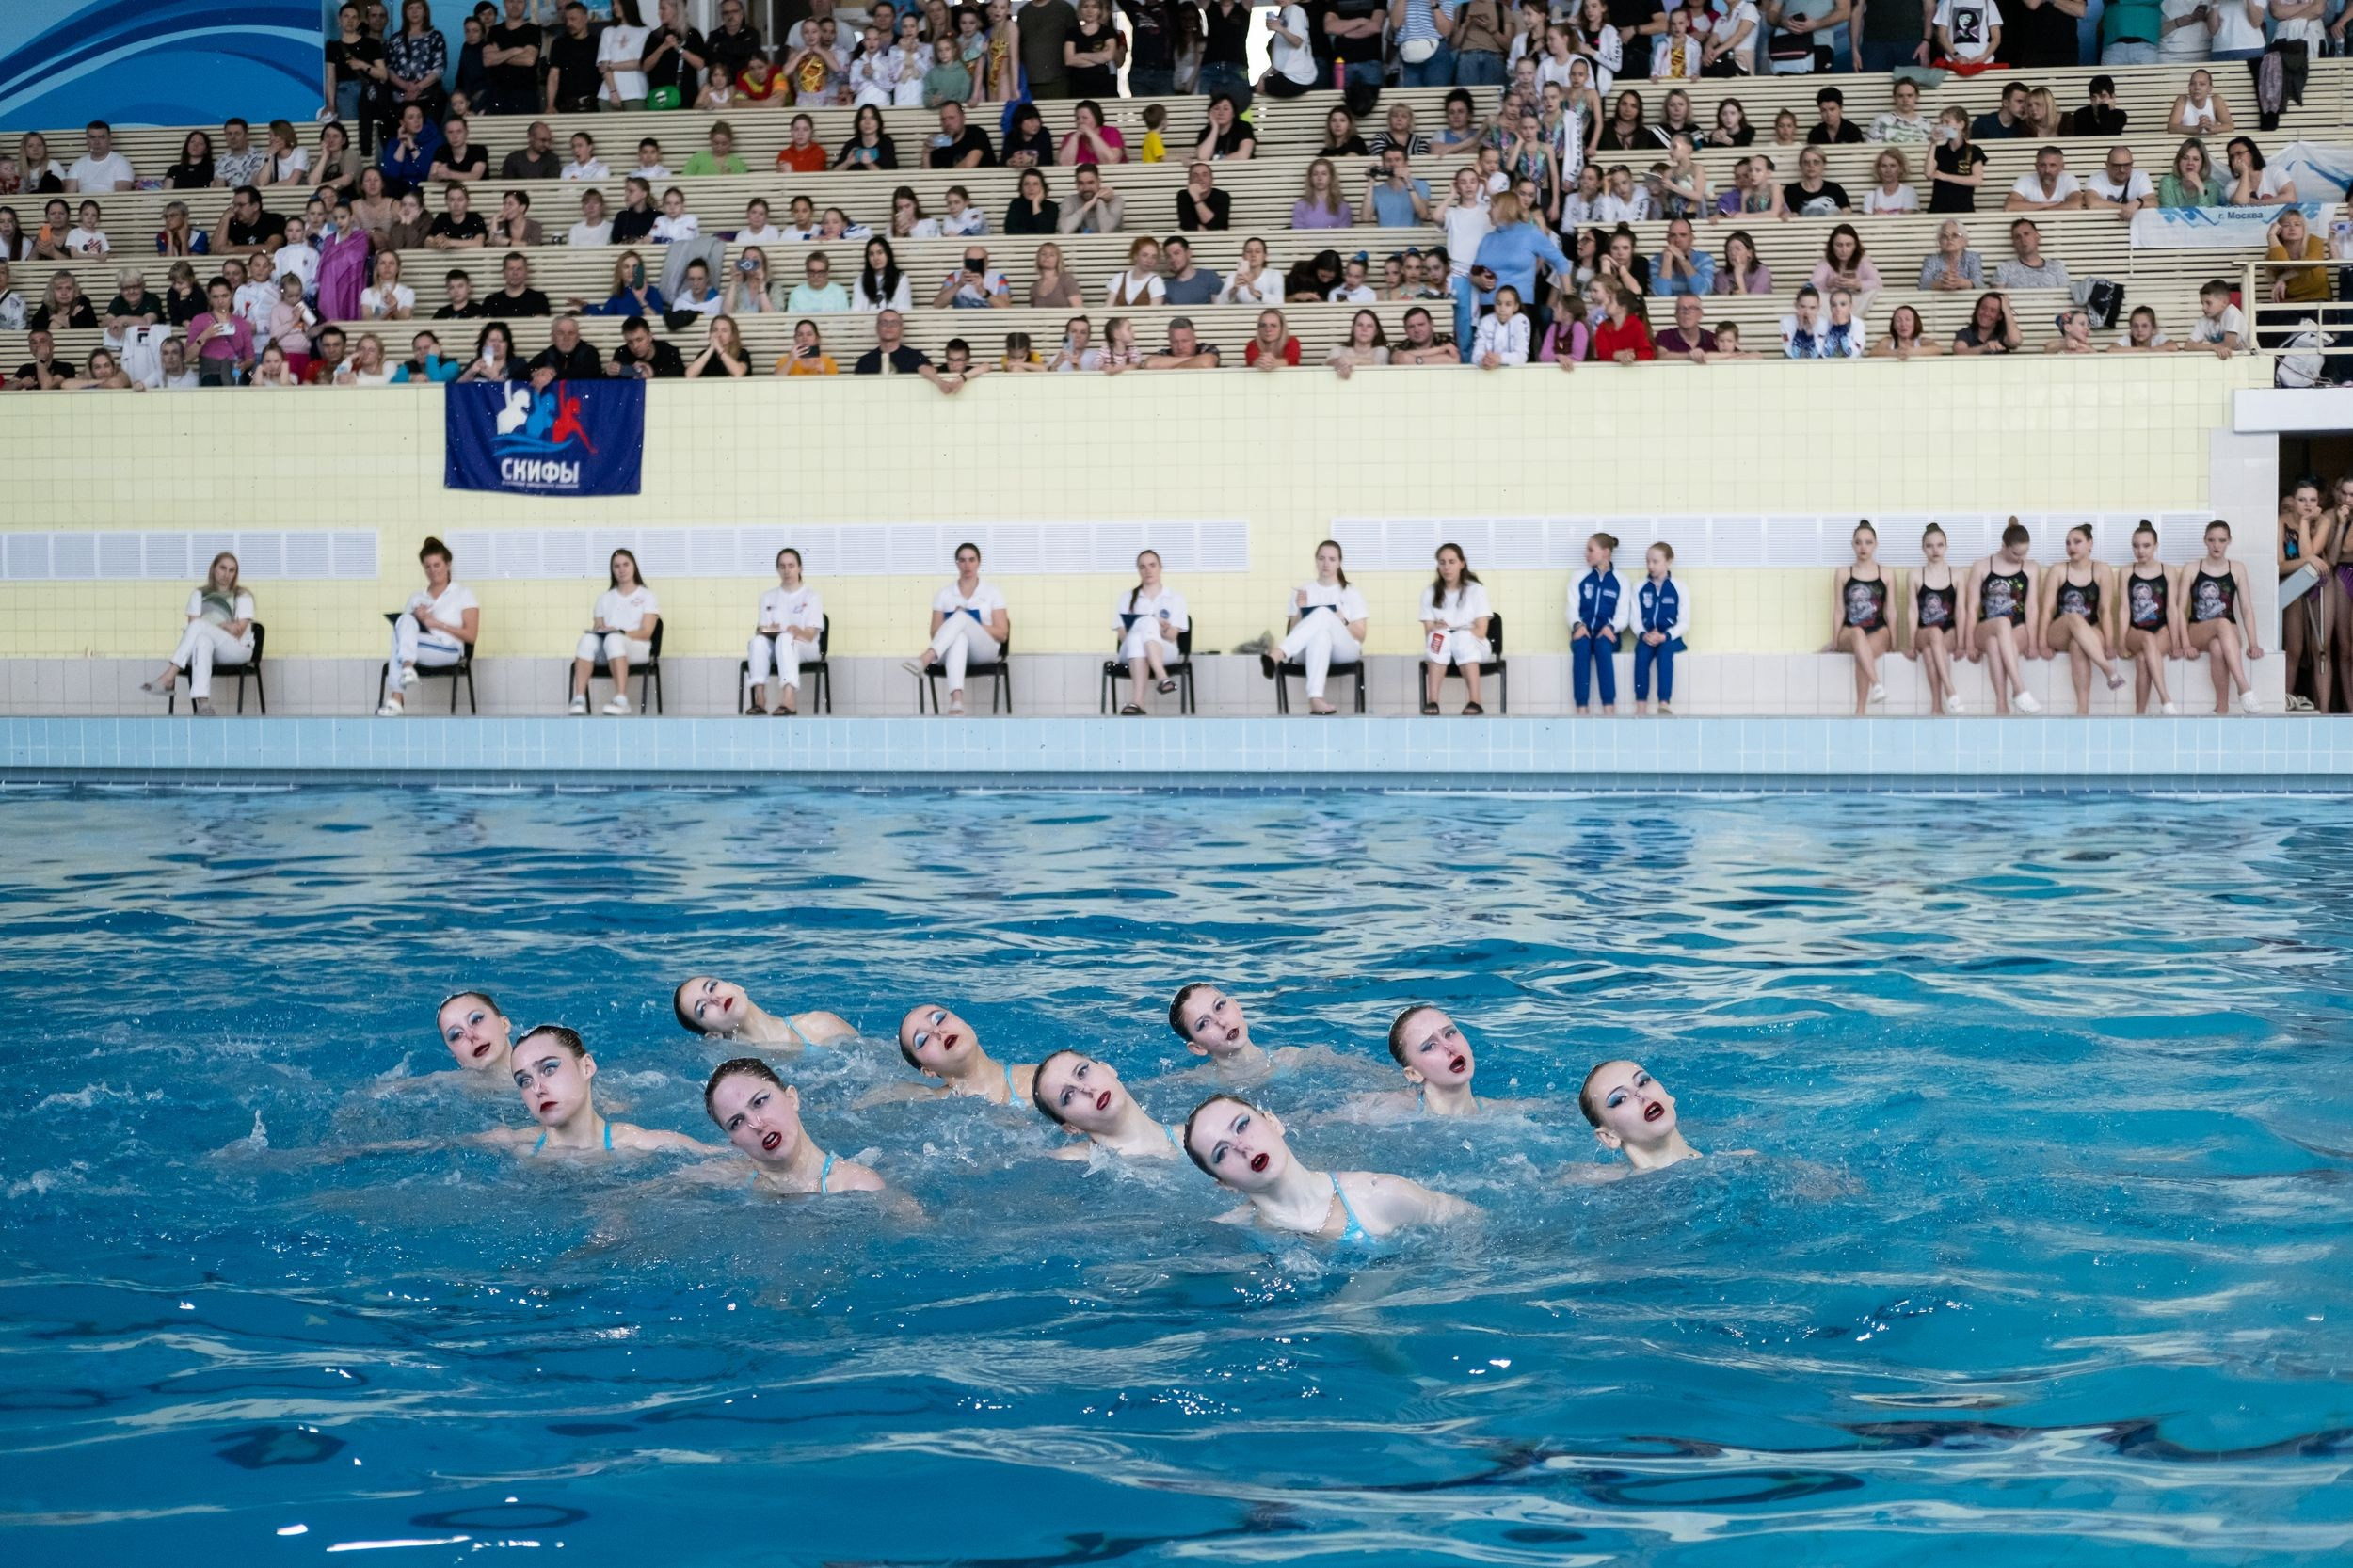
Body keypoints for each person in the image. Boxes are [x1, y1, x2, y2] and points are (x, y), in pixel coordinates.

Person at [1182, 1096, 1475, 1240]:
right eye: (1222, 1153)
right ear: (1225, 1184)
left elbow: (1474, 1226)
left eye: (1242, 1126)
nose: (1241, 1146)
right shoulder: (1229, 1234)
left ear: (1273, 1122)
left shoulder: (1381, 1195)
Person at [488, 1025, 714, 1159]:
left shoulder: (636, 1145)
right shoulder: (517, 1146)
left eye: (549, 1068)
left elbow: (731, 1161)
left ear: (586, 1067)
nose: (537, 1088)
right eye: (524, 1081)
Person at [702, 1058, 889, 1196]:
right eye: (736, 1122)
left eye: (759, 1102)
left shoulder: (858, 1186)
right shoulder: (732, 1177)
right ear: (735, 1143)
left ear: (792, 1098)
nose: (756, 1124)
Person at [140, 552, 253, 715]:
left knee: (200, 627)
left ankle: (170, 675)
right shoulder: (199, 595)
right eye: (223, 568)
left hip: (236, 649)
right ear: (214, 568)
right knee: (202, 640)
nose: (226, 574)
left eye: (232, 570)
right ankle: (203, 703)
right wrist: (225, 625)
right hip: (209, 650)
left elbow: (238, 631)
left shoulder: (242, 596)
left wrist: (223, 627)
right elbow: (194, 631)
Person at [376, 536, 478, 717]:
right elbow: (404, 630)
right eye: (427, 566)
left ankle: (397, 698)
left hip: (449, 650)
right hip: (421, 651)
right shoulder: (417, 597)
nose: (432, 570)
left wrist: (435, 623)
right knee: (405, 621)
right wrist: (419, 620)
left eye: (437, 565)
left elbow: (471, 635)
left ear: (448, 565)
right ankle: (407, 670)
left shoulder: (463, 593)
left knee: (400, 638)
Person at [2035, 523, 2130, 712]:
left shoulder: (2102, 570)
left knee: (2078, 645)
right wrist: (2041, 643)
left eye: (2077, 542)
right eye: (2068, 543)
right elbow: (2046, 610)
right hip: (2060, 630)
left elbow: (2104, 610)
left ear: (2090, 544)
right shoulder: (2058, 570)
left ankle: (2083, 710)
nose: (2072, 547)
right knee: (2074, 618)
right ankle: (2107, 669)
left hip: (2091, 630)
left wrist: (2110, 644)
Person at [904, 542, 1008, 715]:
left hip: (983, 651)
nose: (967, 565)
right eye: (962, 560)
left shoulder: (992, 592)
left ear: (978, 562)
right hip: (949, 650)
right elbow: (935, 634)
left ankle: (925, 658)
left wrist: (969, 622)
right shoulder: (944, 594)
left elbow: (1002, 634)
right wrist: (960, 626)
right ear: (957, 563)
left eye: (971, 560)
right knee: (959, 637)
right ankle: (957, 702)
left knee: (961, 616)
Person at [1267, 540, 1368, 716]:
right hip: (1307, 651)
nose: (1326, 563)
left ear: (1339, 563)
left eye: (1331, 559)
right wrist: (1300, 610)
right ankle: (1315, 699)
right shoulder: (1303, 591)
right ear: (1316, 561)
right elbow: (1293, 631)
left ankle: (1278, 653)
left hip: (1343, 650)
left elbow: (1361, 635)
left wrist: (1342, 620)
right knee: (1320, 635)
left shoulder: (1351, 592)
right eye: (1321, 558)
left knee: (1322, 613)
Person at [1030, 1050, 1183, 1160]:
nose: (1085, 1089)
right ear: (1071, 1128)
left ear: (1108, 1068)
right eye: (1068, 1096)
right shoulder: (1069, 1161)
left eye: (1082, 1073)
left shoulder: (1191, 1135)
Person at [875, 1004, 1036, 1104]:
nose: (937, 1031)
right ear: (928, 1071)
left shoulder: (1036, 1080)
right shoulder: (930, 1103)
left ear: (963, 1021)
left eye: (939, 1018)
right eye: (922, 1040)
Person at [1964, 519, 2045, 714]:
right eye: (2016, 553)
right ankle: (2019, 689)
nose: (2021, 557)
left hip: (2019, 629)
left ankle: (2001, 706)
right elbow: (1972, 607)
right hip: (1988, 626)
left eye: (2025, 552)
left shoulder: (2031, 568)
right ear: (2003, 546)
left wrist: (2033, 643)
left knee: (1994, 645)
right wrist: (1968, 642)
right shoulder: (1982, 566)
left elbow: (2032, 607)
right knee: (2001, 623)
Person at [568, 548, 660, 717]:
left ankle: (621, 699)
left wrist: (620, 633)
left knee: (613, 640)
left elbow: (646, 632)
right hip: (609, 647)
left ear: (634, 567)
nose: (622, 569)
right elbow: (598, 627)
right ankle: (579, 698)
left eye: (626, 564)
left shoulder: (647, 596)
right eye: (617, 566)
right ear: (612, 570)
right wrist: (601, 631)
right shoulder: (604, 598)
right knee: (587, 640)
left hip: (637, 647)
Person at [2184, 520, 2264, 713]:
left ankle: (2222, 708)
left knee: (2218, 647)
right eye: (2211, 540)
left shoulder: (2237, 568)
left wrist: (2253, 643)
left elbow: (2246, 608)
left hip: (2227, 631)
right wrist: (2185, 643)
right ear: (2205, 541)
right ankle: (2244, 689)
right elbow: (2178, 610)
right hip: (2198, 630)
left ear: (2229, 541)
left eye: (2221, 540)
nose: (2216, 545)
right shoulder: (2192, 568)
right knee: (2222, 622)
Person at [1577, 1062, 1708, 1174]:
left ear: (1667, 1095)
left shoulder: (1725, 1163)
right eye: (1620, 1099)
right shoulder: (1606, 1189)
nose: (1640, 1094)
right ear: (1609, 1137)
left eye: (1643, 1082)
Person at [744, 547, 824, 716]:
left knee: (786, 639)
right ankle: (760, 700)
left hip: (805, 647)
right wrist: (767, 630)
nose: (787, 571)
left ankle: (789, 700)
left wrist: (797, 631)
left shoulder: (811, 596)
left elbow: (810, 635)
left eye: (791, 566)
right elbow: (761, 630)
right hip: (778, 645)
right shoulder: (768, 597)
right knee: (757, 642)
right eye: (782, 566)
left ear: (800, 568)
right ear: (778, 569)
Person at [1828, 520, 1897, 713]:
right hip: (1851, 631)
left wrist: (1895, 643)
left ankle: (1860, 711)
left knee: (1862, 653)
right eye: (1858, 542)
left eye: (1868, 542)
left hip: (1879, 631)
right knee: (1858, 635)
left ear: (1875, 545)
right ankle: (1877, 685)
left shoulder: (1887, 574)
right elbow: (1839, 610)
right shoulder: (1843, 573)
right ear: (1853, 545)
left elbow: (1891, 610)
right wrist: (1835, 642)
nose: (1863, 547)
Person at [1417, 543, 1494, 716]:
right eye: (1442, 562)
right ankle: (1433, 701)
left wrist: (1458, 632)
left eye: (1452, 561)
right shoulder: (1429, 593)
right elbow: (1428, 631)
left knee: (1461, 639)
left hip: (1475, 645)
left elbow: (1481, 631)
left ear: (1462, 563)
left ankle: (1475, 701)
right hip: (1443, 647)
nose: (1447, 567)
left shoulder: (1475, 590)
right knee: (1439, 636)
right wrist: (1437, 629)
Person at [672, 976, 855, 1048]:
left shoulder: (820, 1024)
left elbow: (880, 1066)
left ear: (737, 986)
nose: (713, 998)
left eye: (712, 987)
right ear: (712, 1035)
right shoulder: (739, 1072)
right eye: (702, 1008)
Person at [1113, 550, 1189, 716]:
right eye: (1143, 567)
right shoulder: (1126, 598)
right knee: (1137, 634)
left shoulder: (1175, 598)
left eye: (1152, 565)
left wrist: (1160, 628)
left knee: (1144, 627)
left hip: (1165, 649)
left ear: (1160, 567)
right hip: (1130, 651)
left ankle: (1137, 702)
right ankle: (1163, 678)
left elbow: (1172, 636)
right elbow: (1122, 636)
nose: (1148, 570)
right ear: (1138, 570)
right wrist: (1147, 624)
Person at [2122, 520, 2185, 716]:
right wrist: (2120, 641)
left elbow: (2172, 609)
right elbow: (2124, 609)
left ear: (2156, 546)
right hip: (2135, 631)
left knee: (2142, 659)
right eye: (2136, 545)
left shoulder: (2168, 571)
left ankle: (2139, 714)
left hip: (2162, 630)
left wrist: (2176, 642)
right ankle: (2165, 699)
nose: (2140, 551)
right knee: (2147, 641)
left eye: (2146, 546)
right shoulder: (2127, 572)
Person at [1566, 531, 1631, 714]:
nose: (1586, 554)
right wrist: (1578, 625)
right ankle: (1581, 709)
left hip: (1608, 634)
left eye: (1590, 550)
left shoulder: (1621, 580)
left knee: (1602, 647)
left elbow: (1623, 614)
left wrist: (1612, 627)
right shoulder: (1579, 577)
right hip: (1583, 632)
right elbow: (1571, 608)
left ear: (1605, 552)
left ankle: (1609, 709)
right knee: (1581, 646)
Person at [1903, 522, 1964, 715]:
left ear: (1946, 547)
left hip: (1950, 632)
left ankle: (1937, 707)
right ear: (1923, 549)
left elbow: (1961, 610)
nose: (1935, 550)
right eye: (1929, 546)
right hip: (1925, 632)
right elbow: (1912, 610)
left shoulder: (1957, 574)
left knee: (1930, 653)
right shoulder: (1914, 575)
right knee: (1934, 634)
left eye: (1939, 545)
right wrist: (1911, 643)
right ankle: (1950, 690)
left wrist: (1962, 642)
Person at [1929, 107, 1988, 214]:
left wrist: (1946, 177)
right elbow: (1928, 174)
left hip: (1963, 210)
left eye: (1947, 122)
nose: (1943, 126)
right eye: (1941, 122)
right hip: (1938, 210)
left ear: (1961, 125)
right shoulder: (1939, 150)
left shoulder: (1973, 150)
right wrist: (1933, 142)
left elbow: (1977, 180)